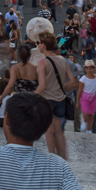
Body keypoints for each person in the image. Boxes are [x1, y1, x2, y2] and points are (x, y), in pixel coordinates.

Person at [35, 26, 78, 160]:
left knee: (49, 131)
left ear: (43, 45)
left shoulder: (42, 62)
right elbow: (72, 81)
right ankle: (63, 157)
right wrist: (63, 87)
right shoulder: (61, 59)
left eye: (39, 43)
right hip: (60, 99)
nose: (38, 45)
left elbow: (42, 85)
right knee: (59, 130)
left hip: (47, 100)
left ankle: (52, 158)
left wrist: (31, 96)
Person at [77, 60, 96, 134]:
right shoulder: (83, 79)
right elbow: (80, 90)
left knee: (91, 114)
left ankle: (89, 129)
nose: (89, 70)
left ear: (94, 68)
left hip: (94, 97)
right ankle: (85, 121)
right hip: (85, 97)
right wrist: (77, 102)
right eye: (87, 68)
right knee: (85, 113)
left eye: (90, 68)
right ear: (85, 69)